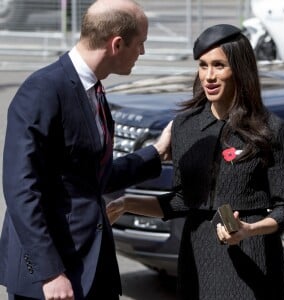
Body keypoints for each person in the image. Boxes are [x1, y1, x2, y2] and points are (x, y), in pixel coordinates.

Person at [106, 24, 284, 300]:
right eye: (203, 65)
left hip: (253, 258)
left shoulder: (271, 129)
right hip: (198, 258)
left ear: (240, 70)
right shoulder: (186, 126)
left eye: (219, 66)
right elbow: (184, 200)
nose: (209, 76)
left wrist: (249, 230)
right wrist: (127, 204)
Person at [0, 0, 172, 299]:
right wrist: (50, 272)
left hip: (91, 268)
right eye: (140, 44)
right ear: (117, 44)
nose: (142, 53)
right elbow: (21, 189)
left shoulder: (93, 89)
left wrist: (155, 153)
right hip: (53, 279)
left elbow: (92, 176)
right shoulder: (43, 90)